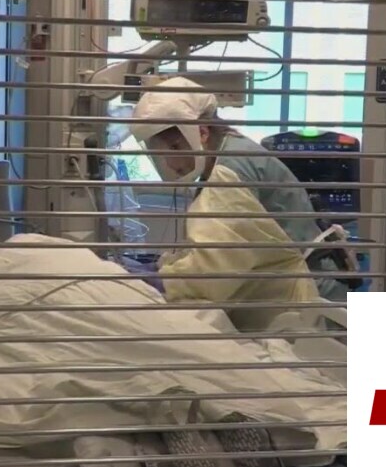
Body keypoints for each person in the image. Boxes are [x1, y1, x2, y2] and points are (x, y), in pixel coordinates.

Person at [127, 77, 349, 331]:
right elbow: (221, 243)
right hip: (307, 292)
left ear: (201, 133)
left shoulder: (228, 172)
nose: (171, 161)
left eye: (175, 147)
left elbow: (215, 266)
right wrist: (163, 266)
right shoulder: (232, 153)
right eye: (160, 153)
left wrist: (161, 280)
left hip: (308, 305)